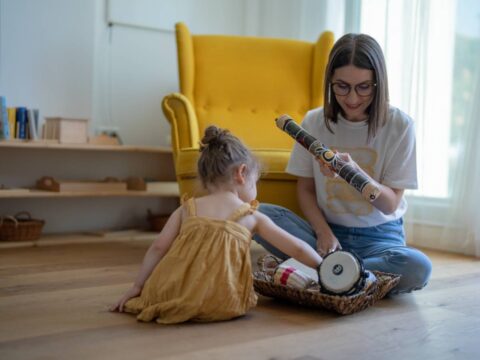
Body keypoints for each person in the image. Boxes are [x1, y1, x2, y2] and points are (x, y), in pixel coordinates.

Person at [254, 33, 432, 295]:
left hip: (380, 239)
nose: (351, 98)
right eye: (342, 86)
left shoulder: (400, 126)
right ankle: (350, 277)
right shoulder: (314, 121)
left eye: (363, 87)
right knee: (258, 215)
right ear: (330, 82)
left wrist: (353, 172)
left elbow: (389, 203)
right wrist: (323, 232)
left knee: (417, 267)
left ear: (378, 83)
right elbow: (305, 190)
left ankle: (324, 272)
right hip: (326, 235)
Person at [110, 125, 323, 324]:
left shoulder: (187, 208)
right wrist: (324, 268)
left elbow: (158, 248)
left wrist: (138, 286)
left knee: (164, 288)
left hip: (172, 290)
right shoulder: (251, 216)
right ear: (241, 173)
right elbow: (297, 248)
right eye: (255, 181)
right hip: (223, 299)